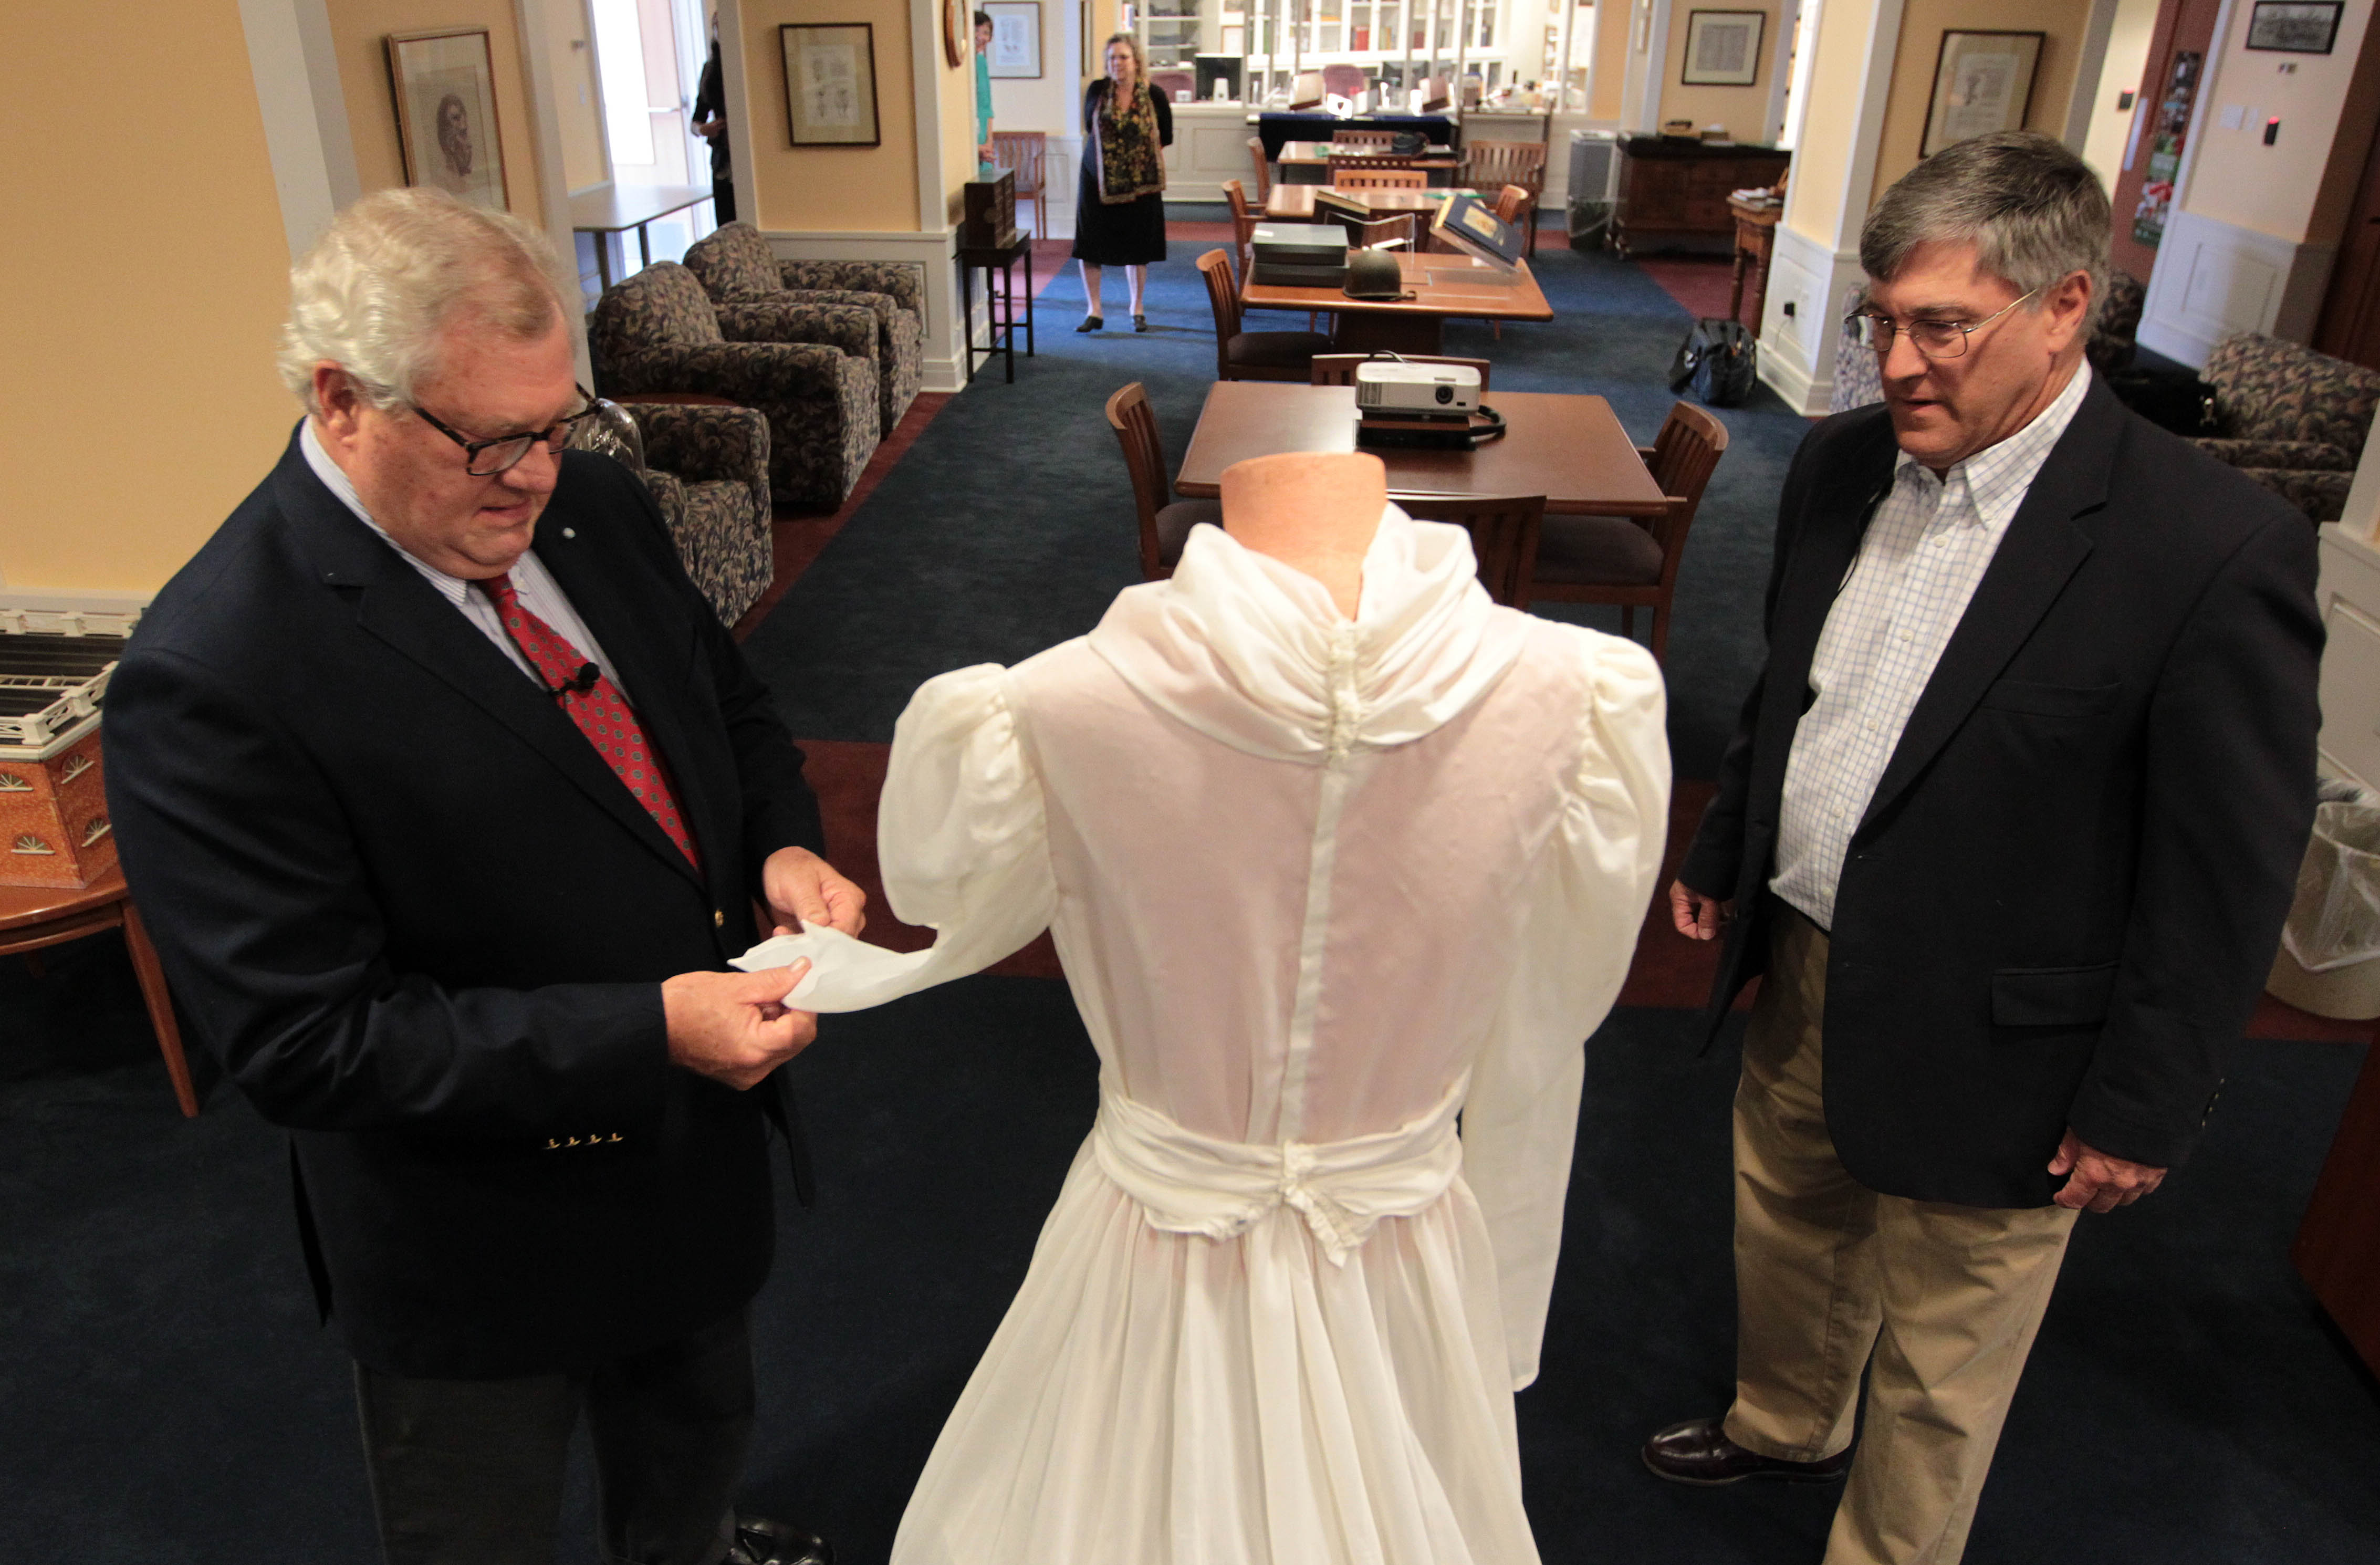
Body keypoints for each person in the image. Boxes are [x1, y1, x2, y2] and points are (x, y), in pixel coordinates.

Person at [102, 187, 863, 1565]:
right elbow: (305, 1042)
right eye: (486, 440)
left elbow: (730, 710)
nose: (531, 477)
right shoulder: (213, 671)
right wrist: (652, 1029)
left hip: (691, 1174)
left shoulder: (603, 506)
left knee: (690, 1468)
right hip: (477, 1244)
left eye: (555, 424)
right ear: (341, 400)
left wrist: (780, 841)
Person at [733, 451, 1669, 1563]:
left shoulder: (1055, 700)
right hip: (1384, 1240)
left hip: (1170, 1238)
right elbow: (1558, 995)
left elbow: (942, 891)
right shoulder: (1574, 690)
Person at [1644, 132, 2321, 1564]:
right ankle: (1782, 1420)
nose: (1896, 363)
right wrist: (1723, 845)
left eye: (1941, 326)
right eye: (1879, 321)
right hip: (1810, 950)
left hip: (2008, 1027)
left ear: (2064, 304)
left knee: (1946, 1346)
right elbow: (1790, 687)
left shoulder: (2207, 546)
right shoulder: (1836, 468)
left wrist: (2147, 1097)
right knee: (1785, 1218)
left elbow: (2225, 862)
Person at [1073, 32, 1170, 333]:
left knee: (1138, 245)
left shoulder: (1154, 95)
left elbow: (1165, 136)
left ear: (1136, 60)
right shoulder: (1097, 91)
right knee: (1090, 244)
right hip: (1097, 180)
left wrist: (1134, 164)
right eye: (1112, 57)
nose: (1117, 63)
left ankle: (1137, 308)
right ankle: (1095, 310)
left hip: (1141, 185)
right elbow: (1088, 127)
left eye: (1124, 57)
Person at [693, 27, 735, 224]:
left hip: (750, 157)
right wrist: (703, 130)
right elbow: (696, 120)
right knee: (726, 223)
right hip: (723, 162)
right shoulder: (710, 70)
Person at [974, 9, 995, 174]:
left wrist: (989, 143)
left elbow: (987, 106)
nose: (982, 37)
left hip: (983, 144)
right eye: (976, 31)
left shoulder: (981, 62)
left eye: (986, 33)